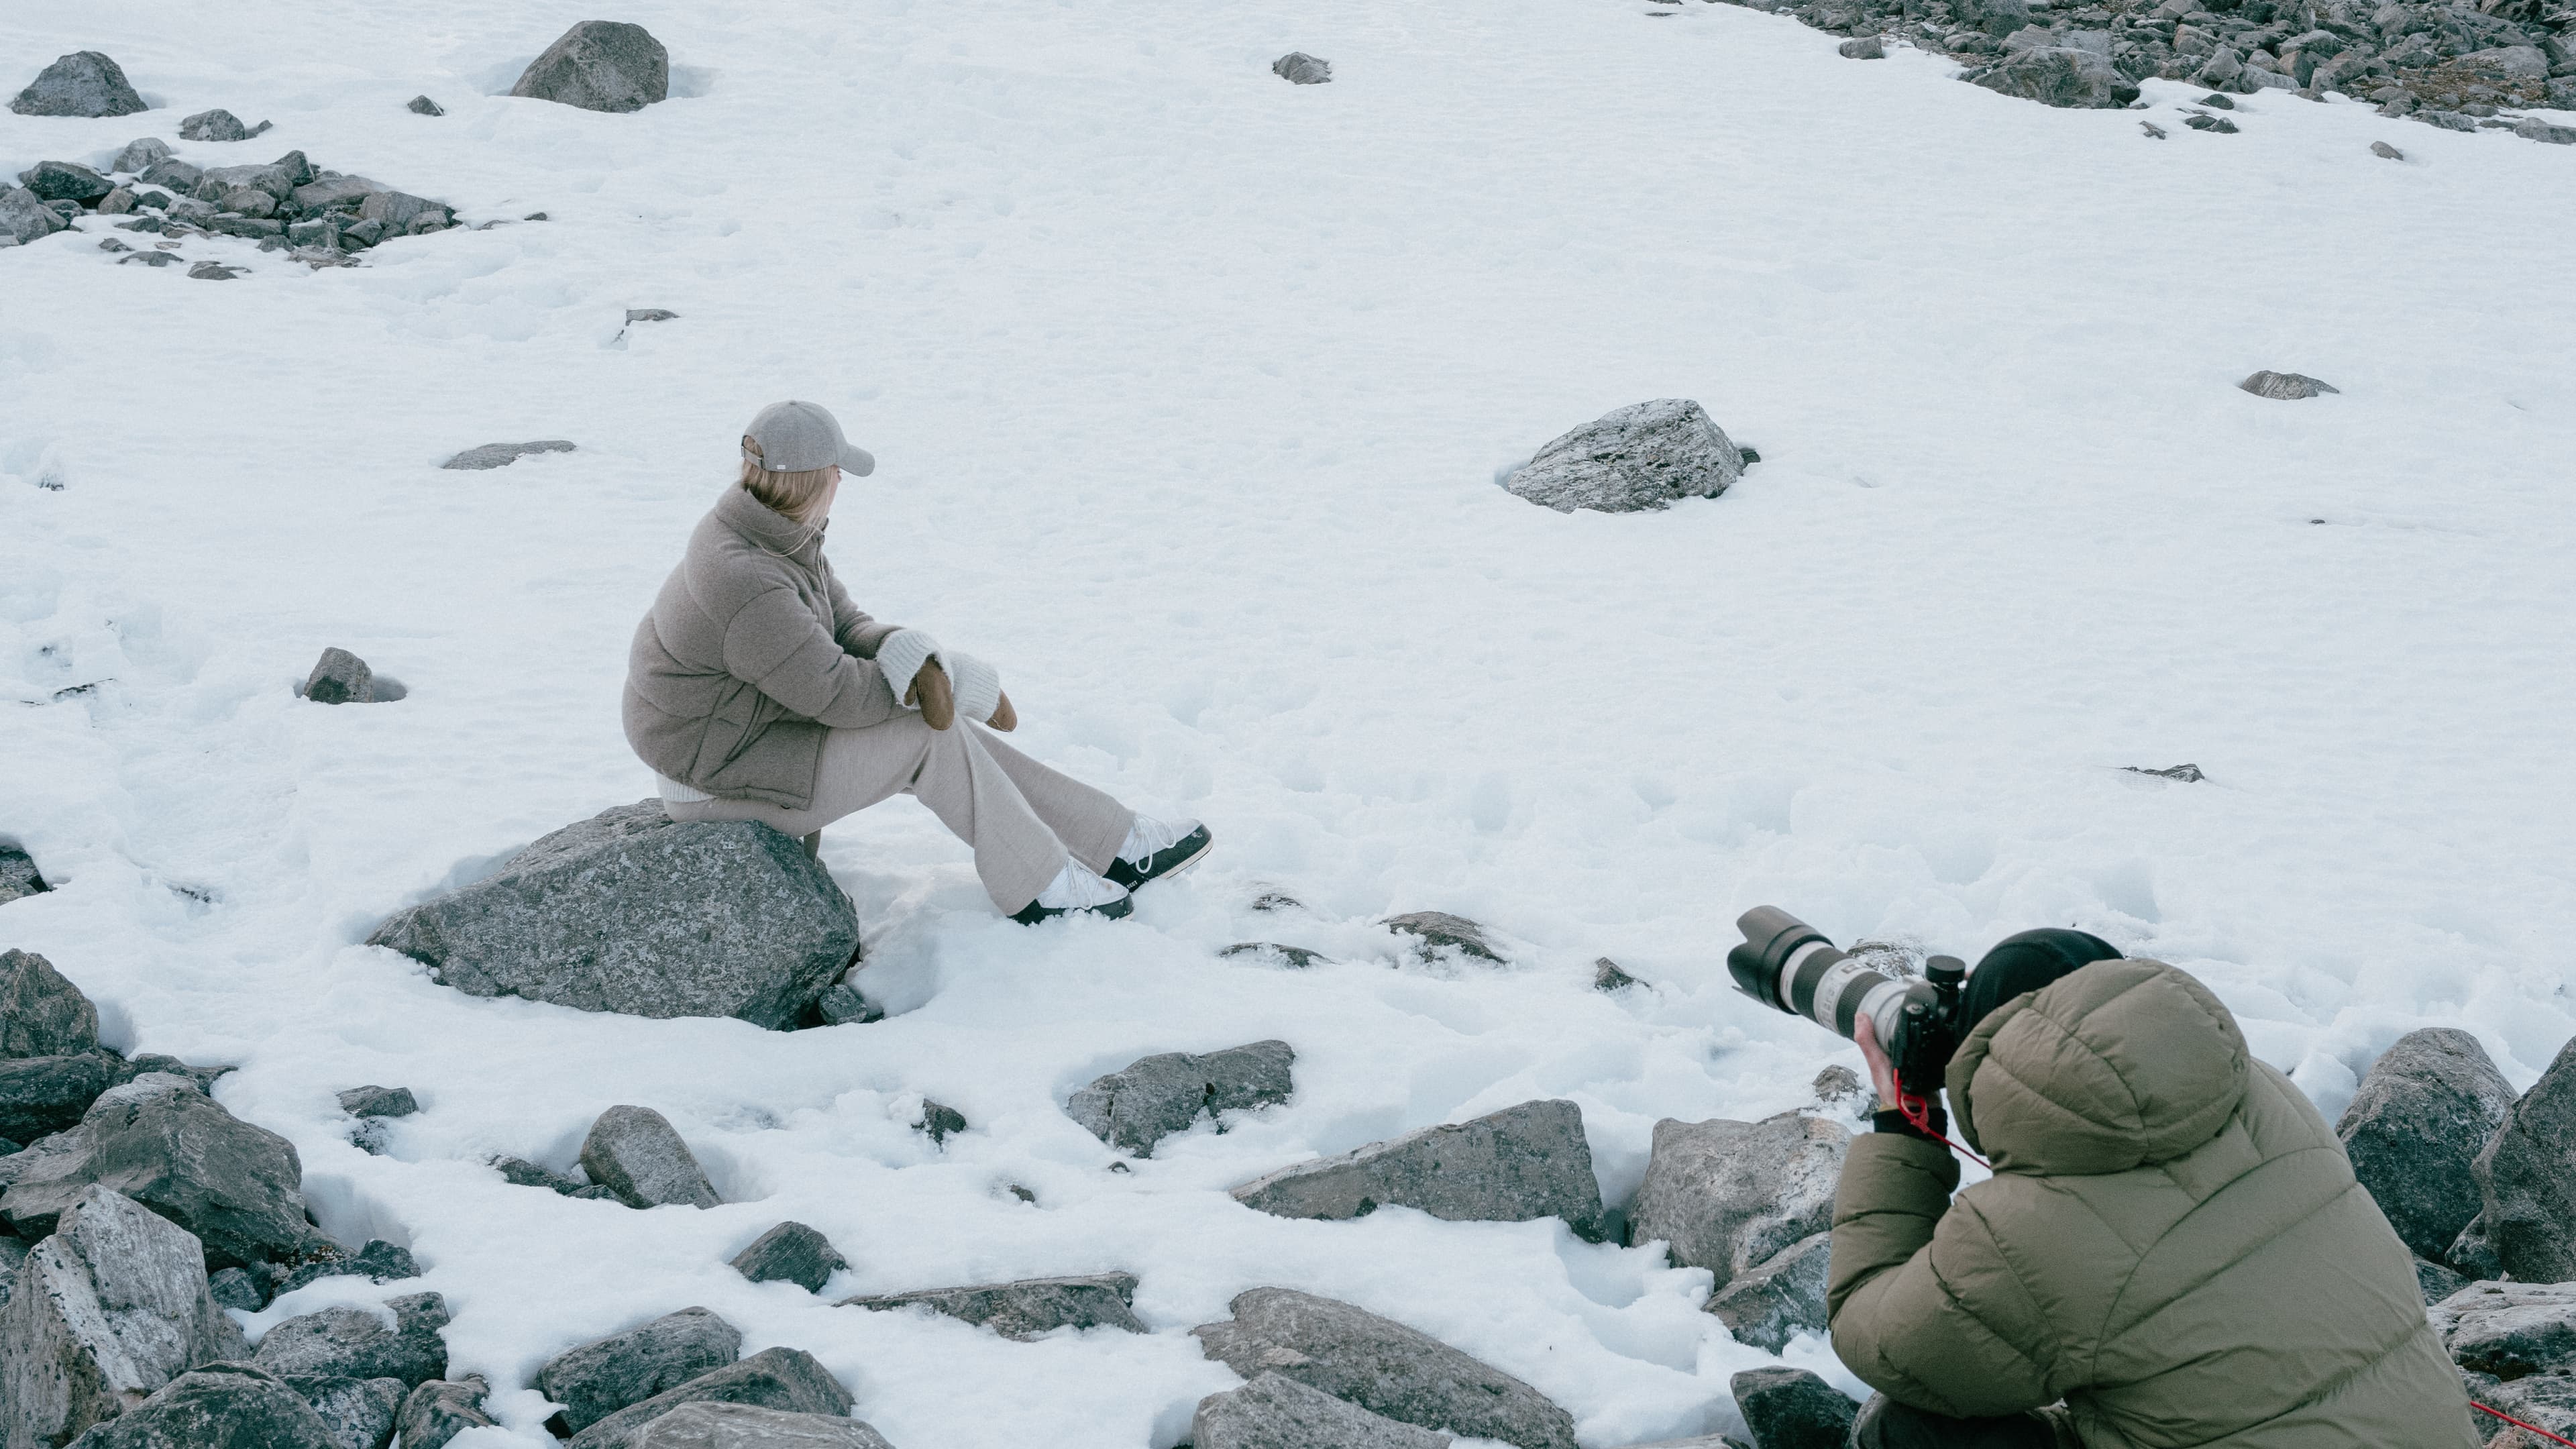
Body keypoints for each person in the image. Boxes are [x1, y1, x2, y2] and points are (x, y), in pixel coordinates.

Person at [1829, 929, 2481, 1448]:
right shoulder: (2265, 1096)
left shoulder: (2037, 1231)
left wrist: (1902, 1123)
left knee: (1909, 1426)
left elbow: (1877, 1333)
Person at [621, 399, 1211, 923]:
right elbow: (836, 694)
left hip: (750, 736)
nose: (842, 485)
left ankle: (1116, 843)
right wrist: (934, 681)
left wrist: (918, 656)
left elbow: (846, 624)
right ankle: (1038, 886)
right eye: (839, 474)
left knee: (938, 725)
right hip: (716, 778)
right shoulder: (747, 578)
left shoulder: (778, 535)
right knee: (927, 737)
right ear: (820, 480)